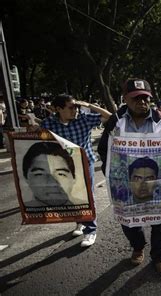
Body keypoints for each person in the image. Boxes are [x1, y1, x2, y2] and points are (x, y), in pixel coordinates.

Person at [98, 78, 161, 276]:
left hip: (158, 182)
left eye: (146, 98)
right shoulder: (115, 121)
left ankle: (159, 257)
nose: (142, 102)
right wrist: (111, 173)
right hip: (126, 184)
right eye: (136, 98)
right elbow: (104, 149)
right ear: (125, 99)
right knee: (128, 219)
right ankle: (138, 246)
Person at [41, 94, 111, 247]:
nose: (75, 110)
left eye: (76, 107)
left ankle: (90, 230)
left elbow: (110, 116)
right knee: (71, 196)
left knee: (86, 197)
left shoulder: (83, 119)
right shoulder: (49, 123)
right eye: (71, 107)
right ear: (58, 109)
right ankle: (80, 222)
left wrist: (89, 106)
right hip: (63, 167)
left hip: (85, 164)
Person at [22, 142, 77, 207]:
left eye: (61, 174)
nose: (51, 182)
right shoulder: (26, 209)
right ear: (26, 178)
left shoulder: (85, 209)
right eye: (40, 174)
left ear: (74, 179)